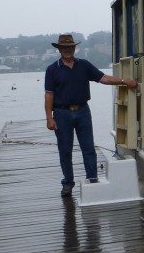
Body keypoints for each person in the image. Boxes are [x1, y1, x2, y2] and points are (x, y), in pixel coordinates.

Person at [44, 33, 138, 198]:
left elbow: (103, 78)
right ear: (59, 49)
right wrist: (49, 118)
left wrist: (124, 81)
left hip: (82, 111)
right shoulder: (52, 70)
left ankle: (92, 179)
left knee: (88, 148)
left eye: (70, 47)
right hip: (61, 113)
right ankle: (68, 183)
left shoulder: (84, 65)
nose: (67, 50)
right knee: (64, 150)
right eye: (64, 48)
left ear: (74, 48)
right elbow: (49, 95)